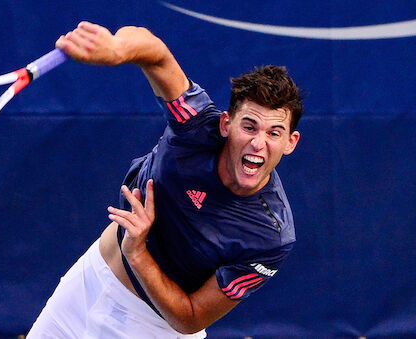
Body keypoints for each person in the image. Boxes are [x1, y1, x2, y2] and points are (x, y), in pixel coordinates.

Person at [28, 21, 302, 338]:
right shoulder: (197, 126)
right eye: (249, 126)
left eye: (274, 133)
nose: (258, 143)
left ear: (290, 142)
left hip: (153, 329)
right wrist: (117, 49)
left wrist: (137, 252)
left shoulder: (270, 235)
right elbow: (156, 53)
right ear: (226, 124)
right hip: (87, 283)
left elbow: (190, 318)